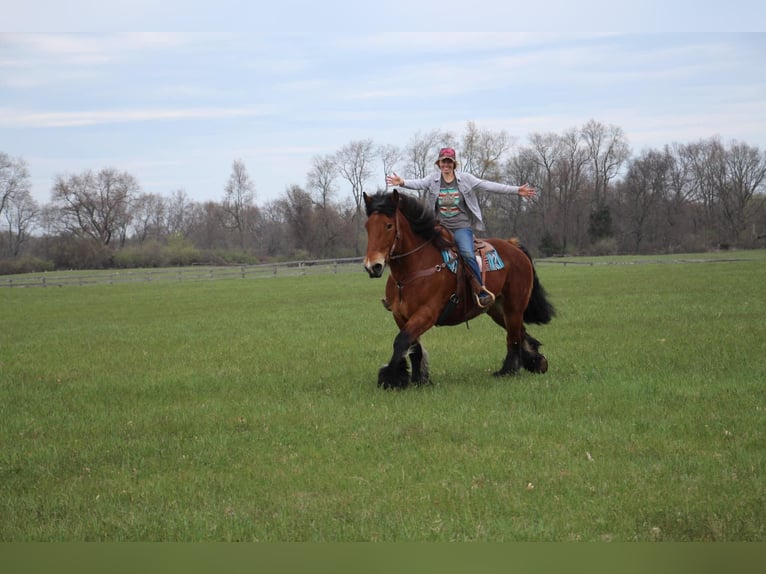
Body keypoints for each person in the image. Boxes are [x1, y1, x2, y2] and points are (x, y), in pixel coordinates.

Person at [385, 147, 536, 309]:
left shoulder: (466, 179)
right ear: (439, 163)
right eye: (443, 162)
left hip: (461, 228)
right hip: (438, 227)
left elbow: (488, 185)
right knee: (414, 250)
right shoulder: (433, 180)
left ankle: (480, 290)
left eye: (449, 162)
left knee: (467, 253)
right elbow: (419, 184)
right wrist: (402, 182)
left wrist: (516, 190)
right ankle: (396, 293)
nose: (446, 165)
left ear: (454, 164)